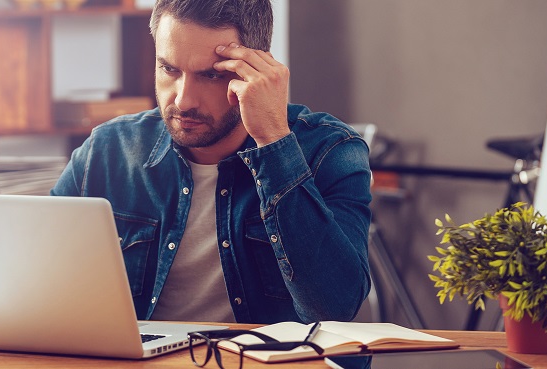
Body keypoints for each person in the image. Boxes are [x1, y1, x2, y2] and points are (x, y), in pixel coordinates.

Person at [51, 0, 372, 324]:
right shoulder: (109, 151)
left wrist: (274, 142)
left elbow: (334, 310)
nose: (183, 99)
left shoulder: (330, 150)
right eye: (169, 69)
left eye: (209, 75)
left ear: (256, 70)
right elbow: (38, 279)